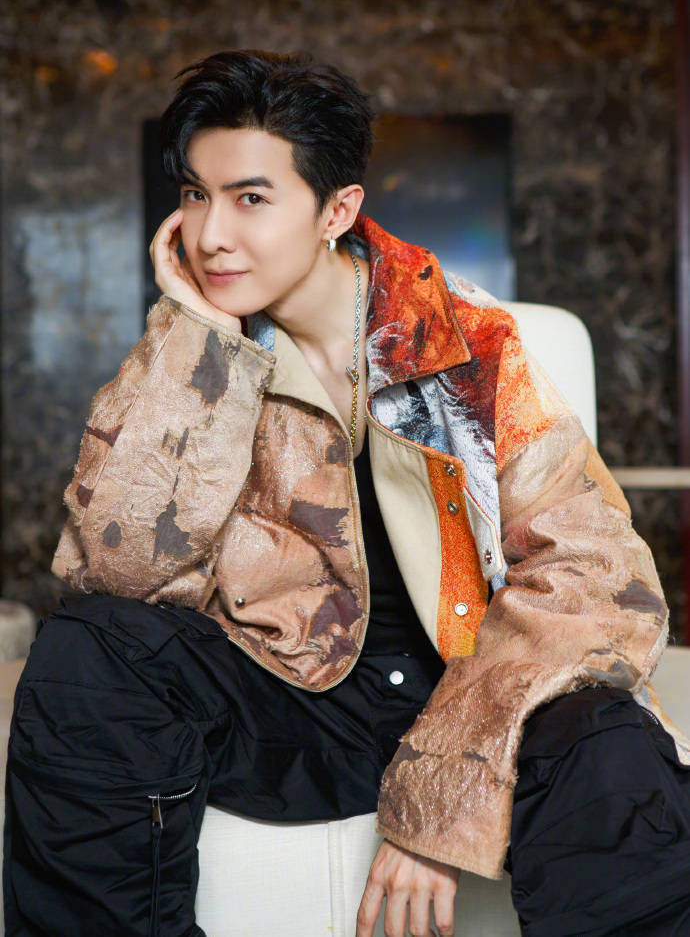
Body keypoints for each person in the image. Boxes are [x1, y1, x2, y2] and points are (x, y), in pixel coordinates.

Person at [4, 49, 690, 937]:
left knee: (609, 741)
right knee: (87, 650)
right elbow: (118, 570)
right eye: (195, 194)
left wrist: (442, 784)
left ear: (337, 210)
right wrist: (204, 339)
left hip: (459, 688)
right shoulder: (187, 347)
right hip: (289, 695)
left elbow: (598, 580)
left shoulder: (465, 346)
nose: (211, 235)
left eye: (251, 198)